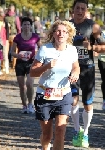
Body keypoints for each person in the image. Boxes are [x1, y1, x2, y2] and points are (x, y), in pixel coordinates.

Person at [30, 20, 80, 150]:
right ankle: (45, 146)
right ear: (53, 33)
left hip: (64, 95)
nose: (61, 34)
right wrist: (47, 66)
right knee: (47, 135)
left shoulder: (72, 50)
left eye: (64, 31)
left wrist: (75, 73)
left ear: (68, 34)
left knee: (60, 131)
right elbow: (32, 72)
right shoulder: (45, 49)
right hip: (44, 95)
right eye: (58, 31)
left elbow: (76, 67)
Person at [70, 0, 95, 148]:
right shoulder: (67, 26)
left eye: (82, 8)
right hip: (72, 68)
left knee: (87, 103)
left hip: (88, 69)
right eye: (77, 8)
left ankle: (85, 132)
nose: (80, 11)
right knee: (73, 100)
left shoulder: (93, 26)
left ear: (86, 10)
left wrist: (90, 46)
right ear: (73, 10)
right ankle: (76, 130)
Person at [11, 17, 41, 114]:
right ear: (22, 26)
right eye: (25, 24)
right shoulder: (18, 37)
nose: (27, 26)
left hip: (31, 63)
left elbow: (42, 49)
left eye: (28, 24)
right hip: (20, 63)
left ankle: (30, 104)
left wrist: (37, 55)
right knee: (22, 86)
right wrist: (17, 55)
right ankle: (24, 105)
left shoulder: (35, 37)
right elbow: (11, 52)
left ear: (31, 26)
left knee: (29, 83)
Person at [5, 4, 21, 68]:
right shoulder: (16, 17)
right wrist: (19, 36)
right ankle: (14, 65)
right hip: (14, 35)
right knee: (14, 51)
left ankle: (5, 65)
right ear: (14, 9)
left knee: (6, 51)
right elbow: (18, 27)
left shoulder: (5, 17)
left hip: (6, 36)